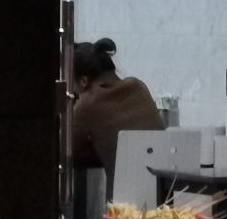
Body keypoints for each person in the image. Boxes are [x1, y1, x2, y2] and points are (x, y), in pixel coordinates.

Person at [69, 38, 162, 195]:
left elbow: (68, 151)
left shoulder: (89, 102)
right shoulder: (138, 87)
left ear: (83, 81)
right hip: (163, 193)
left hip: (125, 203)